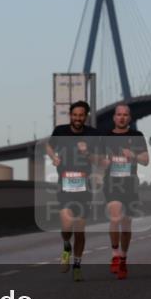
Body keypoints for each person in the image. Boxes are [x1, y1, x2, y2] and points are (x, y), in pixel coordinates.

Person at [47, 101, 97, 282]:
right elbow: (49, 146)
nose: (78, 118)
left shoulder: (93, 134)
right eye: (75, 115)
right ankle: (66, 246)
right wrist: (54, 158)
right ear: (70, 115)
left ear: (86, 116)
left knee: (80, 231)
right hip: (65, 185)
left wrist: (88, 154)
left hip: (84, 187)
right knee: (67, 225)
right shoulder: (60, 131)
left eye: (81, 115)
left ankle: (77, 265)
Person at [100, 103, 149, 280]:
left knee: (126, 224)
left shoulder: (137, 136)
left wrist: (133, 155)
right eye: (119, 115)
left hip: (130, 184)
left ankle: (123, 259)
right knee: (115, 214)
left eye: (125, 115)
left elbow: (145, 160)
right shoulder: (105, 137)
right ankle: (114, 254)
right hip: (112, 183)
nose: (122, 117)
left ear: (129, 118)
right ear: (114, 117)